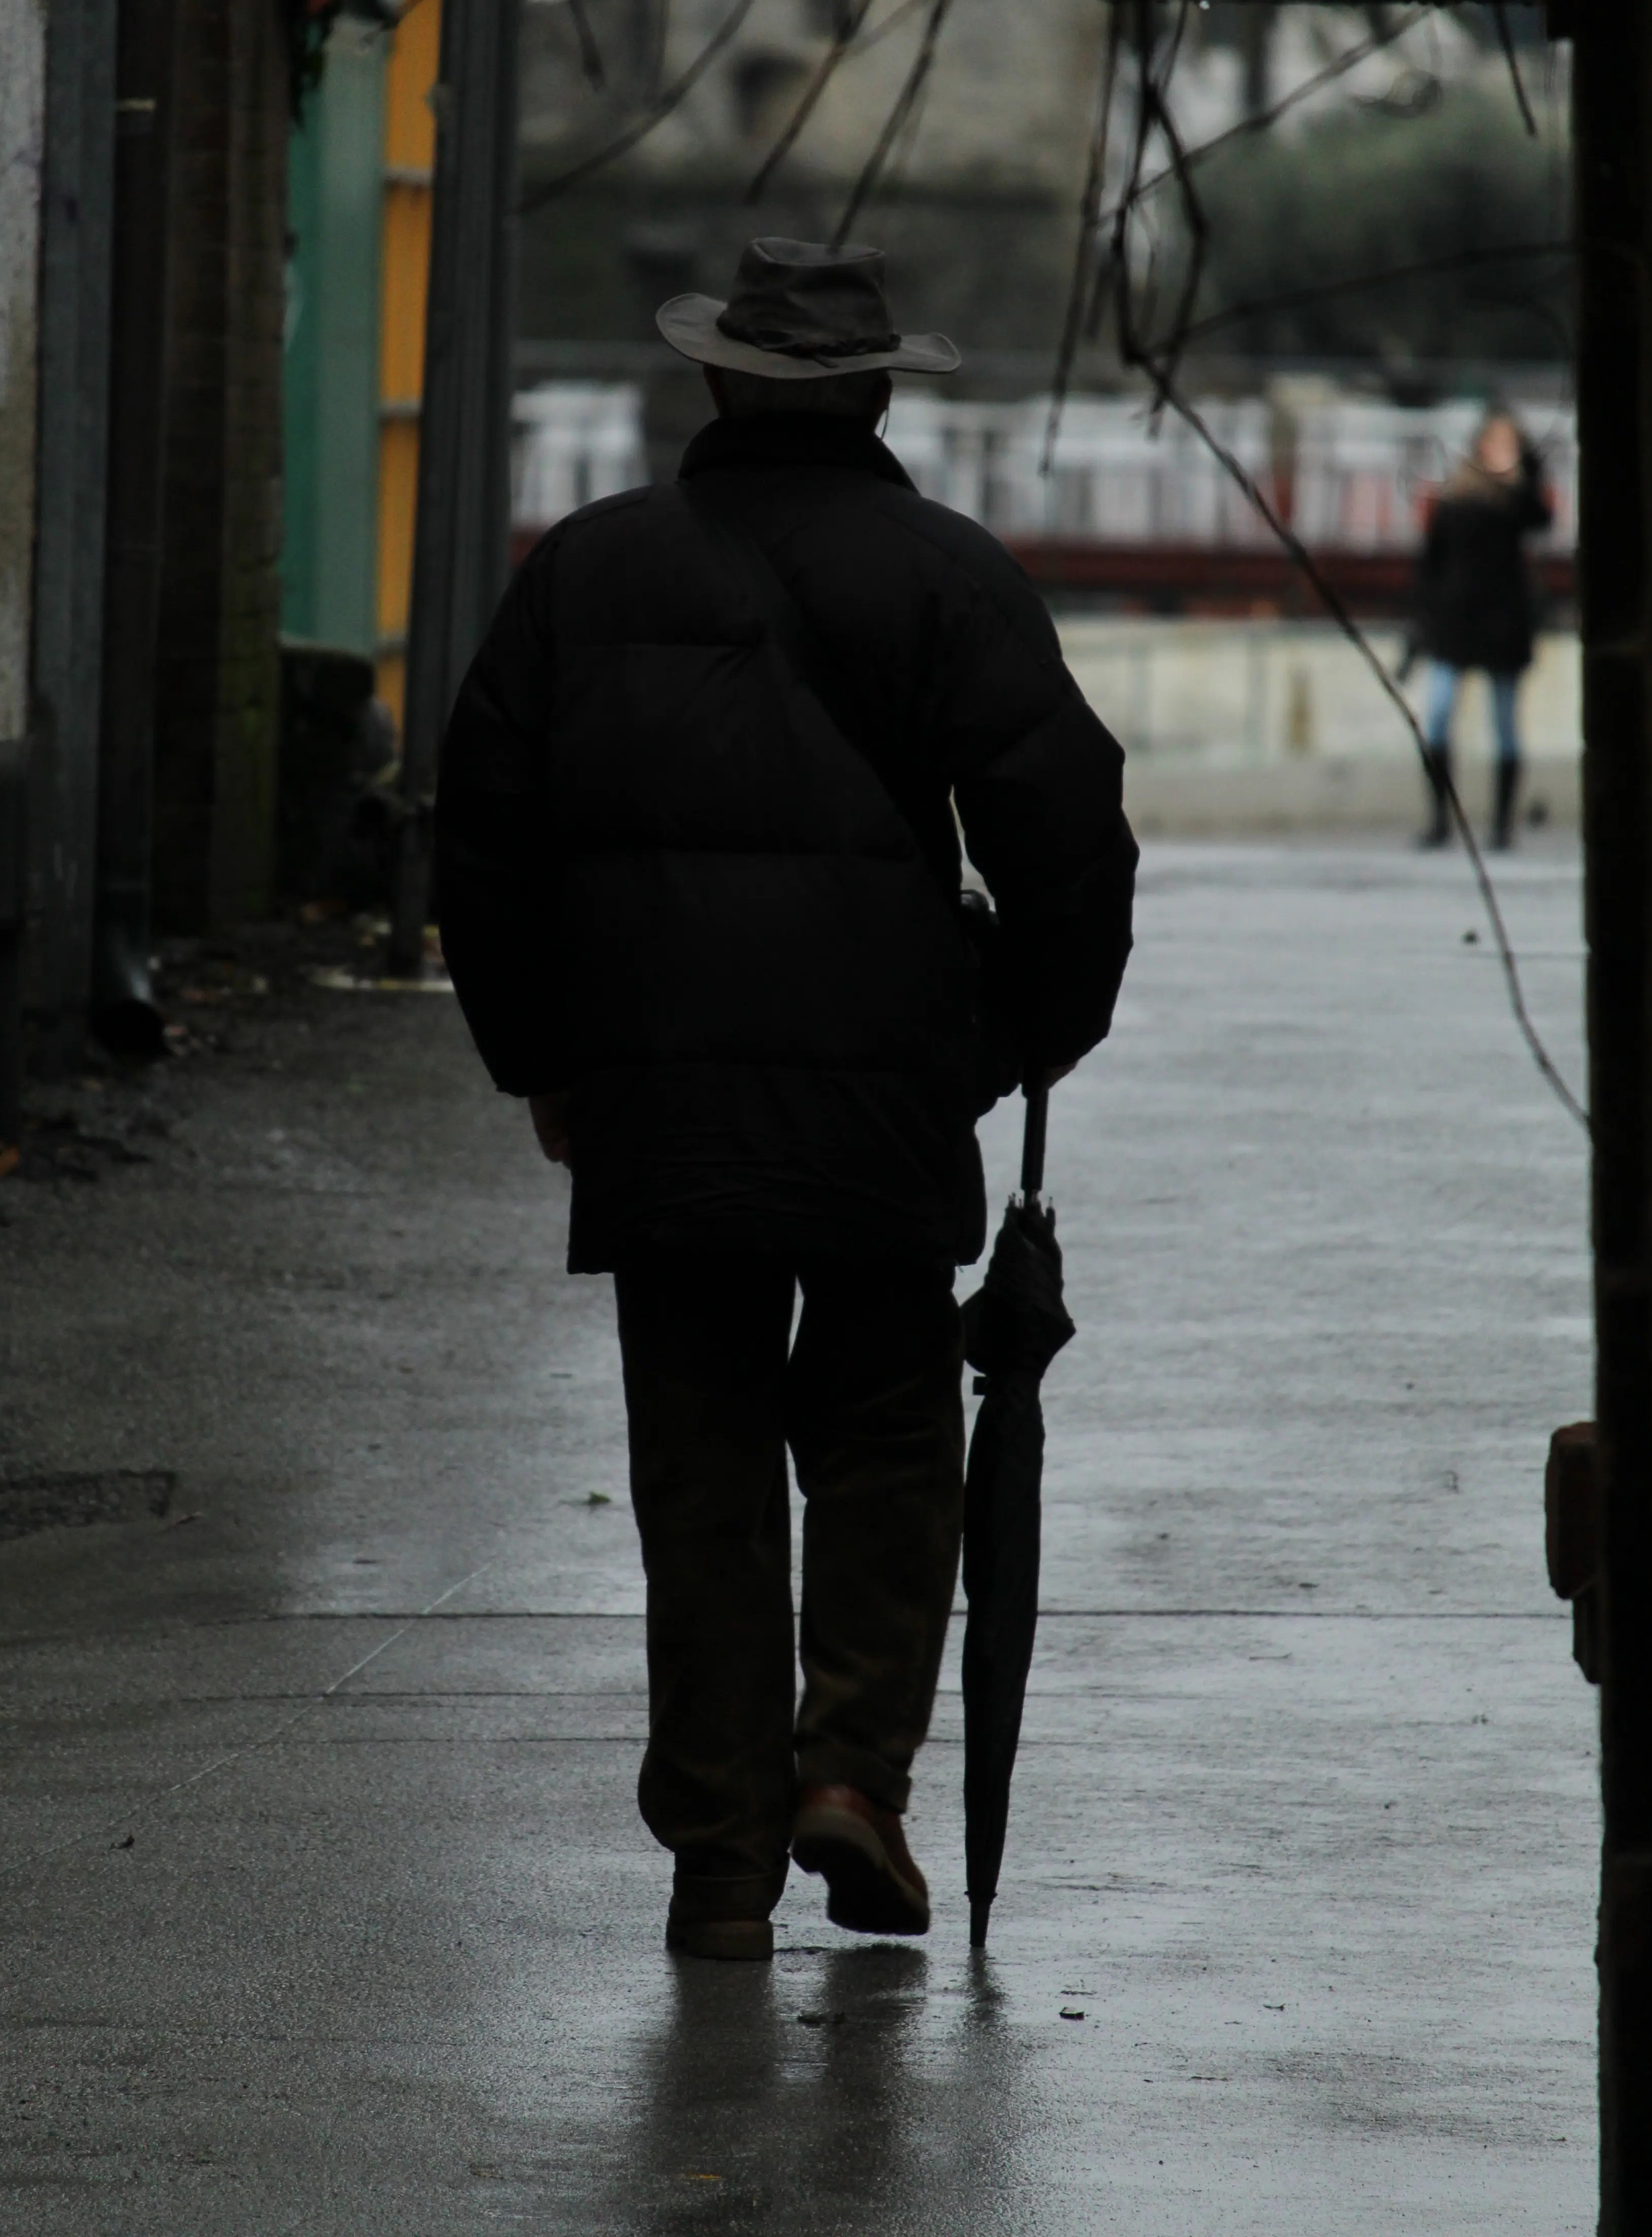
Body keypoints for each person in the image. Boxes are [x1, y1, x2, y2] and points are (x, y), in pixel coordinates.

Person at [435, 238, 1137, 1962]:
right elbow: (1069, 839)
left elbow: (483, 837)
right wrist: (1006, 1045)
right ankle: (848, 1774)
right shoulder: (951, 576)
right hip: (885, 1085)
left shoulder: (585, 570)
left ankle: (720, 1859)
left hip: (656, 1088)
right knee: (890, 1432)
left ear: (716, 382)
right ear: (879, 393)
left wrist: (545, 1061)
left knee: (703, 1465)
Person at [1411, 409, 1552, 850]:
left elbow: (1540, 519)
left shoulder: (1517, 500)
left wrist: (1527, 471)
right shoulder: (1455, 494)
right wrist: (1423, 620)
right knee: (1437, 716)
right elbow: (1432, 562)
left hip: (1503, 623)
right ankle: (1440, 818)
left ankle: (1502, 825)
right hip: (1454, 622)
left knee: (1505, 724)